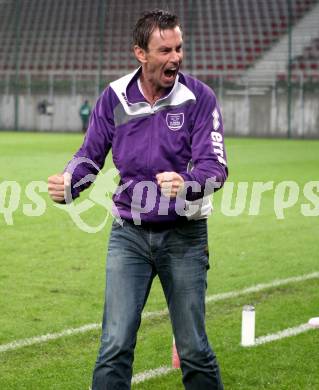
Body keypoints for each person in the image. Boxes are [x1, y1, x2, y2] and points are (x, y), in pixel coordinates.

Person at [48, 9, 228, 390]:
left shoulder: (199, 98)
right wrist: (69, 184)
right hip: (128, 236)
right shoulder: (114, 97)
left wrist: (188, 182)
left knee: (194, 349)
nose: (176, 57)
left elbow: (216, 167)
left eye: (179, 48)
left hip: (184, 237)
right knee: (114, 345)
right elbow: (89, 157)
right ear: (140, 53)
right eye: (165, 50)